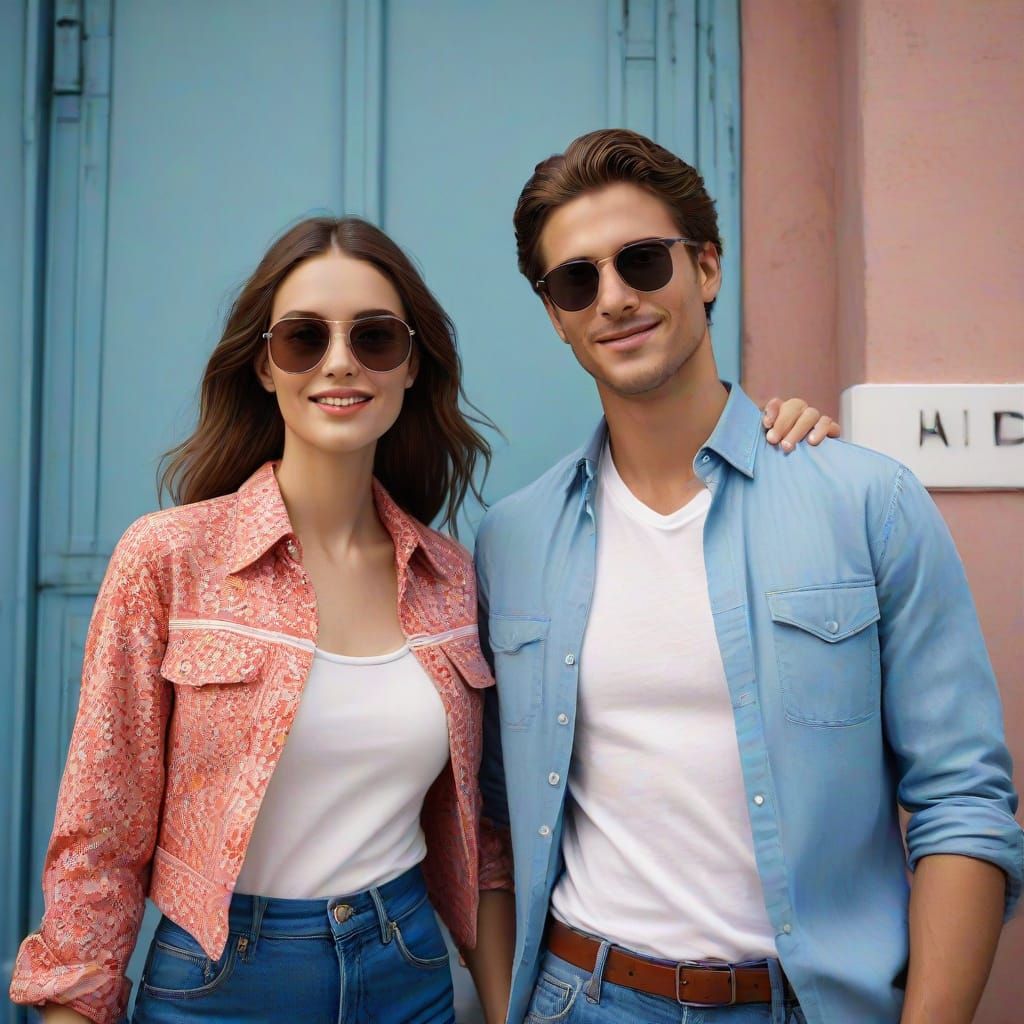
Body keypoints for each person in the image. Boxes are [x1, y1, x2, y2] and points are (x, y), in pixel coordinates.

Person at [9, 213, 825, 1024]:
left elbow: (486, 841)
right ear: (263, 365)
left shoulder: (450, 580)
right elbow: (99, 840)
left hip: (407, 972)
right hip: (223, 985)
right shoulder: (168, 560)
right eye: (303, 339)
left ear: (409, 367)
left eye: (374, 338)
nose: (340, 362)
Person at [475, 129, 1023, 1024]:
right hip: (584, 998)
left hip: (807, 1004)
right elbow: (495, 820)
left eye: (642, 261)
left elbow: (962, 800)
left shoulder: (866, 502)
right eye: (576, 280)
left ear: (707, 268)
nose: (614, 298)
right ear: (555, 315)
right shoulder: (513, 539)